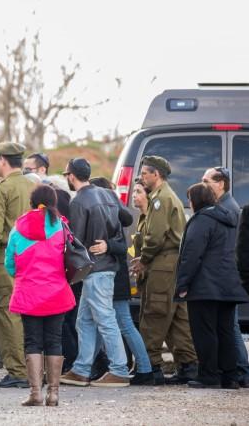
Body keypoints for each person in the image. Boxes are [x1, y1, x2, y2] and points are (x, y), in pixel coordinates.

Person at [59, 158, 130, 387]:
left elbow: (75, 240)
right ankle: (81, 369)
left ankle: (119, 369)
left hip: (94, 269)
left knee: (105, 319)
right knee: (85, 321)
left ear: (71, 176)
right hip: (107, 266)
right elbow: (125, 221)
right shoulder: (108, 194)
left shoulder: (78, 201)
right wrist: (109, 244)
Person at [5, 184, 75, 406]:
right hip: (56, 292)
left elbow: (10, 265)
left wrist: (25, 275)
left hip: (28, 294)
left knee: (32, 341)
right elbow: (70, 258)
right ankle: (53, 394)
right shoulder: (62, 226)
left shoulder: (17, 229)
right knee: (54, 340)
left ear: (32, 202)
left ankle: (35, 393)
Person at [132, 156, 198, 385]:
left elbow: (155, 236)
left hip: (163, 264)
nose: (142, 178)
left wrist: (144, 259)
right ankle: (189, 366)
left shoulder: (161, 199)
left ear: (155, 174)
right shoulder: (167, 197)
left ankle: (150, 368)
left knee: (154, 314)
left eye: (145, 174)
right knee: (178, 318)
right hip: (172, 264)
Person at [176, 183, 249, 388]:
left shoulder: (202, 221)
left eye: (189, 199)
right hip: (230, 285)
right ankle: (230, 376)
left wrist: (183, 283)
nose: (189, 203)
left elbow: (191, 255)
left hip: (205, 287)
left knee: (205, 332)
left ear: (196, 201)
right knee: (225, 332)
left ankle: (209, 375)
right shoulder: (229, 218)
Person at [0, 142, 35, 388]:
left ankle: (17, 370)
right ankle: (32, 369)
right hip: (33, 258)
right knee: (28, 315)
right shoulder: (32, 185)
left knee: (6, 314)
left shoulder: (2, 189)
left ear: (2, 160)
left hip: (6, 258)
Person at [89, 177, 153, 385]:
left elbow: (121, 246)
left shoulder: (112, 213)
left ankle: (144, 368)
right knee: (113, 323)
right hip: (117, 275)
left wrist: (106, 245)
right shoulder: (118, 211)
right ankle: (141, 368)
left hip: (115, 277)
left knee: (124, 323)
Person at [202, 167, 249, 387]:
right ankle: (238, 370)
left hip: (228, 276)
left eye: (207, 181)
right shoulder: (223, 206)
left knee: (230, 327)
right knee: (230, 326)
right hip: (228, 276)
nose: (203, 185)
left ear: (221, 184)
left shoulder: (227, 209)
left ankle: (241, 370)